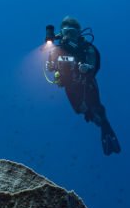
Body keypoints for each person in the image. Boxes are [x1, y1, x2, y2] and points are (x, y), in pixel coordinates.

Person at [46, 16, 121, 155]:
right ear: (61, 33)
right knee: (82, 111)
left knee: (96, 107)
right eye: (67, 32)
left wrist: (87, 68)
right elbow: (51, 66)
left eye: (73, 33)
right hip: (69, 86)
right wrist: (50, 65)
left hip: (87, 83)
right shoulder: (56, 50)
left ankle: (105, 126)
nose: (70, 37)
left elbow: (93, 64)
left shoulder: (87, 48)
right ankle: (99, 124)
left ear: (79, 33)